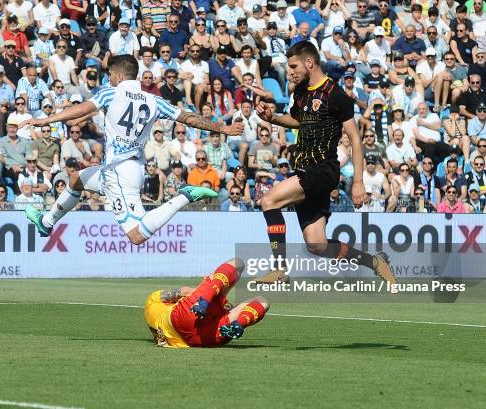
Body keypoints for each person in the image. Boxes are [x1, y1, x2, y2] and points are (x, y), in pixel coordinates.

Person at [23, 55, 243, 245]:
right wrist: (221, 127)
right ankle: (46, 223)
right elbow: (188, 117)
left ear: (118, 76)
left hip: (119, 173)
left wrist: (47, 120)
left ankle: (184, 196)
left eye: (110, 74)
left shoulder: (111, 93)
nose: (109, 79)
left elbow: (81, 109)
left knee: (137, 235)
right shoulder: (155, 100)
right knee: (75, 180)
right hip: (125, 168)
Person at [254, 41, 395, 285]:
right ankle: (375, 262)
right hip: (305, 169)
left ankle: (279, 269)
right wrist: (273, 118)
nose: (290, 71)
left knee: (268, 200)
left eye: (293, 66)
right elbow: (298, 121)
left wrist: (358, 182)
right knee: (317, 244)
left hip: (322, 169)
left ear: (309, 63)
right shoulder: (300, 91)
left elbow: (355, 139)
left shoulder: (335, 94)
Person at [144, 258, 269, 347]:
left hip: (196, 340)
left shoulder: (153, 313)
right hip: (189, 322)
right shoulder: (151, 301)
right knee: (238, 264)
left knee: (261, 302)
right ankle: (238, 322)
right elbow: (185, 291)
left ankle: (211, 304)